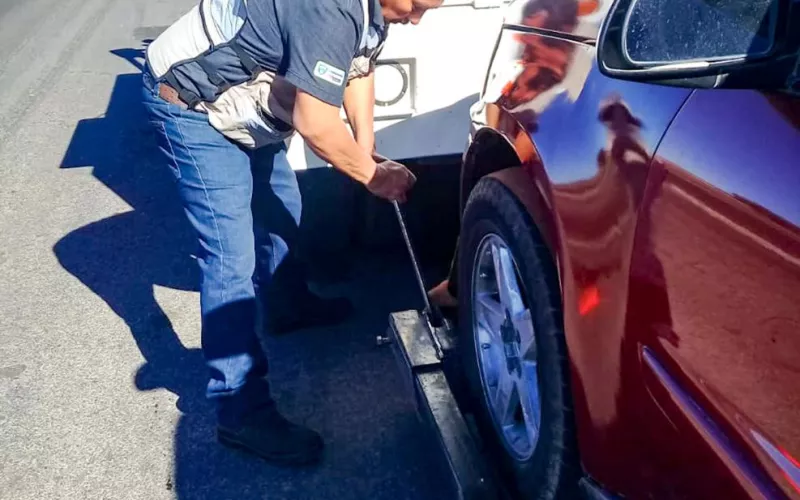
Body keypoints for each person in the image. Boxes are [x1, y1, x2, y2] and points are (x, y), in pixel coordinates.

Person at [142, 0, 442, 466]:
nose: (418, 19)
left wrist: (365, 152)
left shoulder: (372, 13)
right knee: (230, 257)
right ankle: (239, 408)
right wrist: (372, 177)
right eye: (417, 5)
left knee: (285, 209)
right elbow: (315, 123)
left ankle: (285, 306)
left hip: (243, 103)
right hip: (192, 101)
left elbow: (358, 69)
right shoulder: (330, 9)